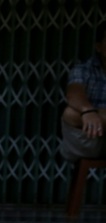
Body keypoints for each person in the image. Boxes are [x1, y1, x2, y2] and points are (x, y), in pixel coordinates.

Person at [60, 21, 106, 163]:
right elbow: (73, 93)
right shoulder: (84, 69)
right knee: (70, 113)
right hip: (87, 137)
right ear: (98, 47)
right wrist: (88, 111)